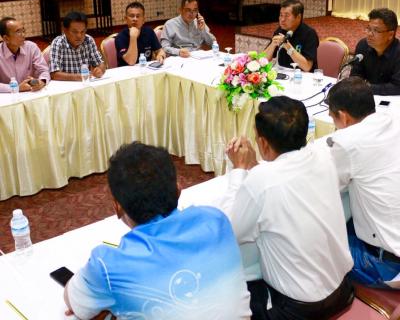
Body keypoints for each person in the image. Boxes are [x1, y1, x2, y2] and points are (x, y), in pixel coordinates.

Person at [64, 141, 251, 320]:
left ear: (117, 207)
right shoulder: (217, 221)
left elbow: (73, 301)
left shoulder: (107, 265)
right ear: (178, 190)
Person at [223, 96, 354, 320]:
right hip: (343, 289)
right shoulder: (324, 156)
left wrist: (239, 170)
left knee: (227, 291)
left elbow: (230, 232)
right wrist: (256, 168)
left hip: (298, 310)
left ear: (263, 143)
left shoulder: (261, 180)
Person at [326, 77, 400, 288]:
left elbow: (327, 186)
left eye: (333, 118)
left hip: (386, 265)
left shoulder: (348, 143)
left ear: (343, 116)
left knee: (312, 240)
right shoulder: (392, 120)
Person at [351, 8, 400, 95]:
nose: (369, 34)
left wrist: (367, 88)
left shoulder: (398, 53)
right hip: (365, 97)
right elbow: (355, 75)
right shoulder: (363, 45)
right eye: (369, 29)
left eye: (376, 30)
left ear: (390, 34)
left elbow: (397, 87)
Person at [264, 0, 318, 72]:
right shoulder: (280, 30)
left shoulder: (309, 34)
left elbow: (307, 67)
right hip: (284, 74)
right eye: (281, 15)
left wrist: (289, 48)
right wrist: (272, 45)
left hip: (303, 76)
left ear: (298, 17)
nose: (282, 19)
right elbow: (263, 60)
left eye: (287, 16)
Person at [50, 11, 105, 81]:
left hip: (86, 83)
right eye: (75, 32)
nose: (79, 36)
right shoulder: (58, 43)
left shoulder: (88, 40)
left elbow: (100, 64)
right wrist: (78, 77)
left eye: (82, 32)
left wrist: (100, 70)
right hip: (66, 85)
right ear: (65, 31)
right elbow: (54, 74)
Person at [0, 17, 50, 92]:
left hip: (31, 92)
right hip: (8, 95)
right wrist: (16, 88)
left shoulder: (31, 47)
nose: (23, 35)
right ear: (6, 38)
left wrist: (42, 81)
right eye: (18, 32)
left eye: (23, 31)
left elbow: (44, 70)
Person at [115, 1, 166, 66]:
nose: (135, 19)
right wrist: (133, 37)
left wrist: (160, 55)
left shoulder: (149, 31)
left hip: (146, 69)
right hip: (127, 70)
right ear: (126, 19)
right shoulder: (120, 37)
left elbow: (159, 50)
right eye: (132, 16)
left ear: (143, 20)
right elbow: (131, 61)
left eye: (138, 16)